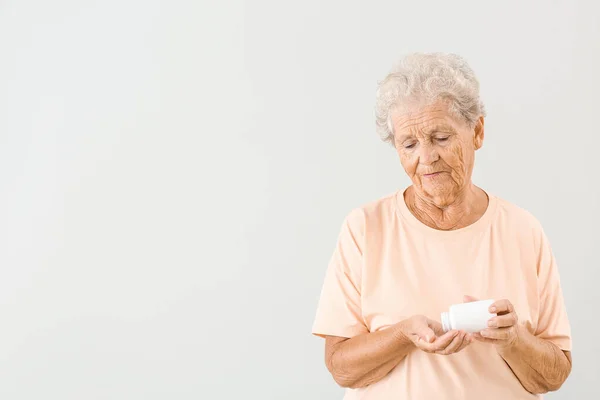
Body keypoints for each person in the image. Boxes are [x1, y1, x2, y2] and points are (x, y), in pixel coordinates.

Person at [311, 53, 572, 399]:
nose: (426, 157)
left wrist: (514, 339)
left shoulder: (523, 230)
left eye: (441, 137)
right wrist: (402, 336)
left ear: (477, 131)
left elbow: (554, 375)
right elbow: (341, 367)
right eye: (409, 144)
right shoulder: (365, 229)